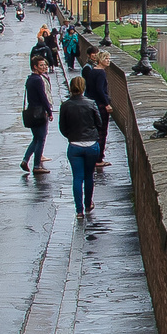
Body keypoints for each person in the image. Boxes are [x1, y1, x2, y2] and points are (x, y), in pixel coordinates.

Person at [58, 75, 105, 216]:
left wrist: (71, 136)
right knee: (89, 176)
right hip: (91, 145)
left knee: (77, 177)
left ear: (72, 88)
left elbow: (62, 127)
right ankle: (88, 203)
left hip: (75, 145)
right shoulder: (91, 103)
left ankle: (79, 210)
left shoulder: (65, 105)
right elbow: (99, 123)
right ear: (83, 88)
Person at [80, 47, 114, 171]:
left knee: (94, 132)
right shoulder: (100, 73)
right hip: (100, 105)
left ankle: (94, 156)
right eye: (106, 58)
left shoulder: (92, 70)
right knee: (102, 132)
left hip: (92, 104)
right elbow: (100, 90)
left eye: (109, 58)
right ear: (100, 60)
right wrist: (107, 104)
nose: (108, 61)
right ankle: (98, 159)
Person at [21, 54, 54, 175]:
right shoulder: (38, 80)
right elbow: (43, 97)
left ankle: (25, 160)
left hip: (31, 111)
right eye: (41, 65)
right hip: (39, 112)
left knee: (36, 138)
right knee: (41, 139)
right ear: (35, 67)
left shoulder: (30, 79)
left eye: (44, 64)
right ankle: (36, 165)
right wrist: (49, 112)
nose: (44, 67)